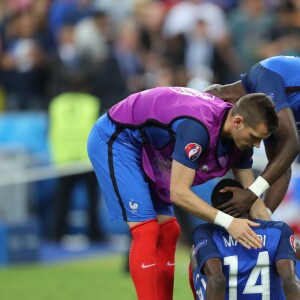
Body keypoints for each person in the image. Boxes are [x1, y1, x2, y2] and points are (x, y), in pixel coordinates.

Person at [87, 86, 279, 300]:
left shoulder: (241, 141)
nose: (257, 144)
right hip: (118, 138)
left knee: (169, 231)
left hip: (150, 148)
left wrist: (276, 240)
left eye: (261, 139)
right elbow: (179, 193)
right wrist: (230, 223)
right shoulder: (198, 129)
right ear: (237, 122)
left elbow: (253, 199)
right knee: (146, 231)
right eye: (254, 137)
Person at [204, 55, 300, 217]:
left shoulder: (262, 77)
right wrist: (263, 222)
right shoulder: (267, 115)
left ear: (225, 100)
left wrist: (251, 193)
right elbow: (282, 169)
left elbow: (292, 144)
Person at [189, 178, 300, 300]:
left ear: (215, 210)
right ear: (249, 204)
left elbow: (217, 280)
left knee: (195, 254)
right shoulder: (278, 230)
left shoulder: (206, 232)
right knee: (291, 258)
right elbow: (289, 281)